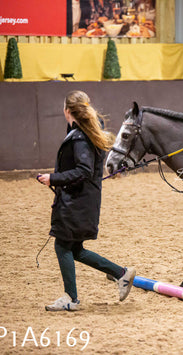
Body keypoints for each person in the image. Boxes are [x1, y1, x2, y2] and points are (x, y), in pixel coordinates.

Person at [37, 90, 135, 311]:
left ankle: (71, 298)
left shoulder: (80, 136)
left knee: (62, 244)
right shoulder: (85, 131)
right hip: (83, 200)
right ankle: (121, 274)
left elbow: (82, 170)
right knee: (75, 248)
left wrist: (53, 178)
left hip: (77, 201)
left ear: (67, 110)